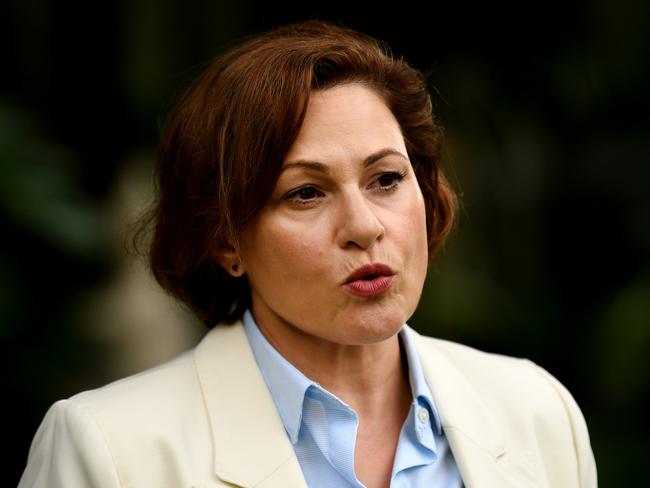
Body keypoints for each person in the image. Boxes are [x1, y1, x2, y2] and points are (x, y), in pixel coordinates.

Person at [18, 20, 597, 488]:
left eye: (387, 179)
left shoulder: (536, 411)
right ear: (226, 240)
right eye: (305, 193)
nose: (364, 227)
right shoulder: (111, 451)